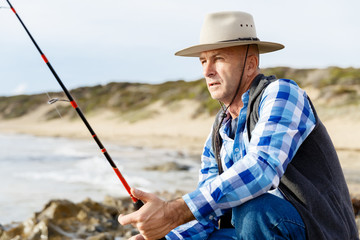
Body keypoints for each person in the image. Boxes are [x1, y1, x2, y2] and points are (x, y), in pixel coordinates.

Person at [118, 11, 359, 239]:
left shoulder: (282, 94)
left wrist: (174, 211)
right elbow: (208, 214)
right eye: (203, 61)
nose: (207, 71)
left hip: (319, 231)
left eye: (218, 59)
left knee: (253, 208)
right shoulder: (219, 131)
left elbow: (261, 168)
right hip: (260, 229)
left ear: (251, 64)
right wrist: (167, 234)